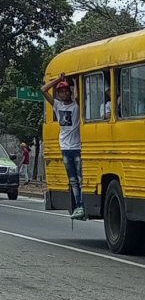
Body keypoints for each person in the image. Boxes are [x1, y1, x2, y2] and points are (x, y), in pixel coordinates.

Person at [41, 73, 86, 220]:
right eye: (62, 91)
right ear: (59, 94)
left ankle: (82, 205)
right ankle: (78, 206)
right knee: (73, 180)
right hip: (65, 147)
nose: (65, 93)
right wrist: (58, 80)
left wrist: (75, 81)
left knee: (80, 178)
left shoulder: (76, 106)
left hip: (77, 146)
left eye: (67, 90)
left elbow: (80, 96)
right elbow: (43, 89)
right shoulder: (57, 105)